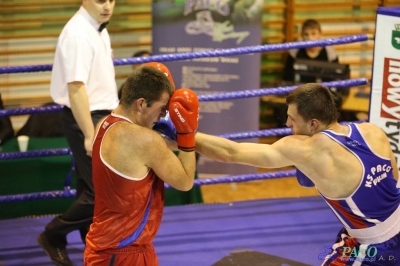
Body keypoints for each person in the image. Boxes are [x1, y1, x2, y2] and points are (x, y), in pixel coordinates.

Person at [173, 83, 398, 265]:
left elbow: (231, 152)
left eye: (292, 118)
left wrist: (182, 133)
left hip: (373, 250)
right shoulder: (372, 131)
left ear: (313, 123)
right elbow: (394, 181)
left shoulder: (307, 150)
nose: (287, 122)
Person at [84, 65, 199, 265]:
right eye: (162, 107)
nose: (163, 115)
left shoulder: (104, 124)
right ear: (141, 103)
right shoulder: (144, 140)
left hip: (123, 247)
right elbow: (186, 181)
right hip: (121, 254)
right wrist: (186, 133)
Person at [37, 0, 118, 265]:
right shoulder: (78, 34)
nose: (107, 5)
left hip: (99, 115)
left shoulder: (97, 28)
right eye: (99, 0)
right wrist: (88, 132)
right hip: (86, 118)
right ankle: (53, 235)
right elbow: (75, 88)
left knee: (88, 186)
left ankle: (92, 245)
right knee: (101, 192)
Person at [282, 19, 339, 83]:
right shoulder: (294, 51)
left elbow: (336, 79)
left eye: (313, 34)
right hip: (300, 90)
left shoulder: (329, 52)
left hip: (323, 90)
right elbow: (287, 78)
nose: (310, 38)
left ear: (320, 34)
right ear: (302, 36)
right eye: (306, 34)